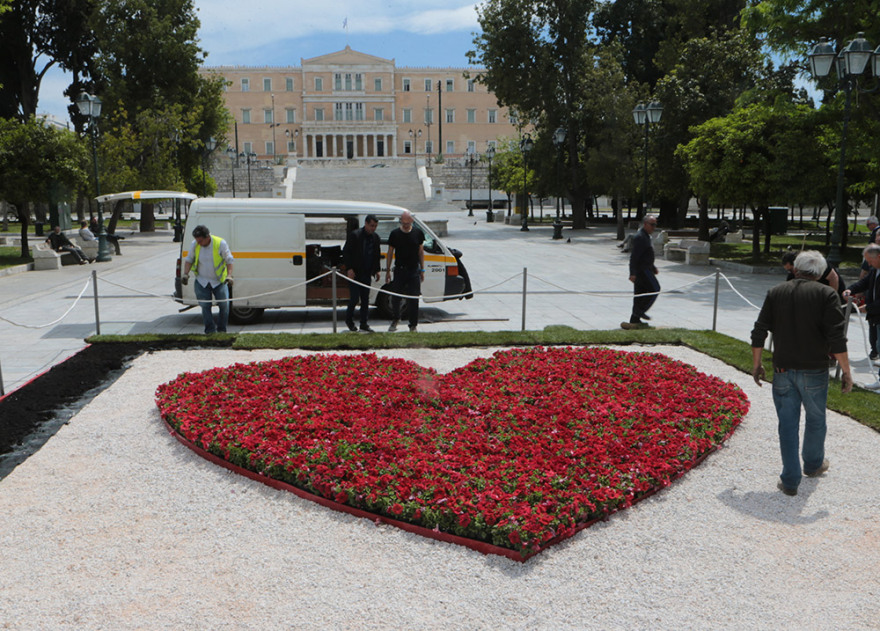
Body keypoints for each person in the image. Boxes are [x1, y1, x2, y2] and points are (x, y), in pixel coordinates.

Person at [751, 250, 852, 497]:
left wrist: (757, 363)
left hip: (782, 368)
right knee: (816, 419)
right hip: (814, 370)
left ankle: (790, 480)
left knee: (787, 425)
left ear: (795, 269)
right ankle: (813, 464)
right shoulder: (827, 294)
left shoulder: (776, 292)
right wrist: (847, 372)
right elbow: (836, 338)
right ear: (818, 272)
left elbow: (759, 331)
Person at [181, 225, 234, 334]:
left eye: (201, 241)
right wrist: (185, 274)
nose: (199, 243)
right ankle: (210, 331)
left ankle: (222, 330)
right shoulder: (194, 244)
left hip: (219, 281)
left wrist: (229, 275)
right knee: (205, 306)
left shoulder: (220, 243)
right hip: (202, 281)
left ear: (207, 237)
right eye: (197, 240)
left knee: (224, 306)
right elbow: (189, 259)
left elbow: (229, 260)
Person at [843, 243, 880, 385]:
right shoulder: (874, 270)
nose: (868, 264)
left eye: (870, 260)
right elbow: (864, 283)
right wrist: (850, 290)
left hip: (876, 311)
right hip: (876, 315)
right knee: (877, 344)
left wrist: (868, 308)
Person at [385, 210, 424, 332]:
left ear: (412, 221)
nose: (406, 225)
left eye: (408, 222)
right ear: (401, 221)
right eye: (403, 222)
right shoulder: (395, 234)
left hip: (413, 270)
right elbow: (390, 252)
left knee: (414, 298)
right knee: (396, 297)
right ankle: (396, 319)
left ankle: (413, 325)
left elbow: (421, 251)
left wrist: (422, 268)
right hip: (400, 270)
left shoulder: (418, 233)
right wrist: (387, 270)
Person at [342, 214, 381, 333]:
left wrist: (377, 270)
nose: (373, 228)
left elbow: (376, 255)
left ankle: (364, 323)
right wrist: (349, 269)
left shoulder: (375, 238)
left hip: (366, 273)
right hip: (355, 273)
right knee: (354, 298)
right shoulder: (355, 235)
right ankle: (349, 321)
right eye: (371, 225)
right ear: (366, 224)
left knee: (365, 300)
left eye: (375, 226)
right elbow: (346, 252)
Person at [621, 214, 659, 330]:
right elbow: (634, 257)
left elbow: (645, 255)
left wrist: (653, 267)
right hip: (642, 270)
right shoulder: (640, 237)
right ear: (645, 224)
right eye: (652, 225)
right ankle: (639, 311)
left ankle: (634, 320)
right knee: (655, 289)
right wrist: (632, 273)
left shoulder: (646, 236)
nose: (654, 227)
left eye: (655, 225)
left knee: (640, 294)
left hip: (646, 268)